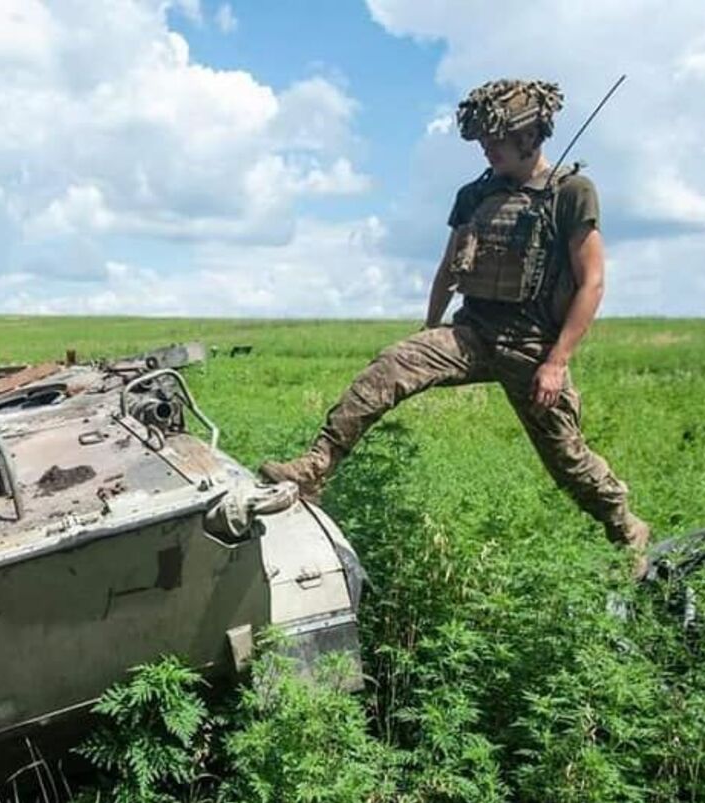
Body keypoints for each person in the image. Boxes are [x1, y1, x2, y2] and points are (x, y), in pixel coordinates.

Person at [259, 78, 650, 568]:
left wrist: (556, 362)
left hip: (531, 348)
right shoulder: (473, 196)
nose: (487, 150)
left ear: (529, 137)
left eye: (496, 140)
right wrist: (426, 331)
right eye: (482, 141)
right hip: (472, 333)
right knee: (389, 366)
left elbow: (591, 282)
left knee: (568, 460)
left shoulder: (570, 193)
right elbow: (449, 268)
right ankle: (315, 467)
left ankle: (625, 528)